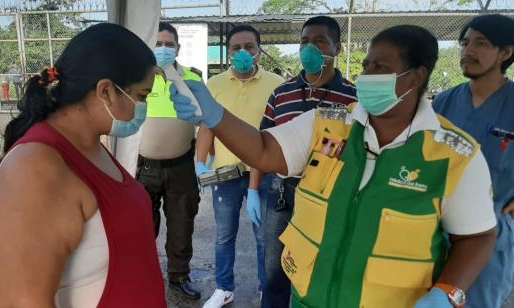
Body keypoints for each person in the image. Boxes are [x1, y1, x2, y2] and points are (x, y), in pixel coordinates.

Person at [173, 25, 497, 308]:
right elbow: (263, 149)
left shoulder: (453, 154)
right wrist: (214, 113)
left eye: (380, 67)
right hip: (310, 299)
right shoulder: (328, 123)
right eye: (367, 64)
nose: (367, 75)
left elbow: (478, 237)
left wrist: (447, 292)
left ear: (416, 76)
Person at [0, 23, 166, 307]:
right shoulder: (34, 169)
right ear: (106, 91)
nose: (143, 107)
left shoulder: (90, 145)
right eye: (142, 96)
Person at [246, 16, 357, 308]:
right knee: (274, 271)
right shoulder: (281, 94)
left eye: (320, 41)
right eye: (305, 41)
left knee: (321, 267)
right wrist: (253, 190)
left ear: (337, 48)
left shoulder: (352, 97)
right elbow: (261, 143)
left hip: (327, 196)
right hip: (281, 192)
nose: (310, 47)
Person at [195, 25, 284, 308]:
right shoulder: (215, 84)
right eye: (236, 48)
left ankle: (265, 288)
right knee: (224, 235)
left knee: (266, 238)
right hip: (226, 173)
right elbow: (208, 125)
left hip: (267, 173)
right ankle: (224, 288)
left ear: (259, 51)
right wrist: (199, 163)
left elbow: (275, 131)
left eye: (249, 47)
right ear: (228, 52)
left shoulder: (276, 83)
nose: (243, 52)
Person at [433, 14, 514, 308]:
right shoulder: (443, 102)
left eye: (481, 43)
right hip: (435, 231)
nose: (468, 51)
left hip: (490, 238)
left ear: (506, 53)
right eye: (465, 43)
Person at [135, 21, 202, 300]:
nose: (163, 49)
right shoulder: (136, 79)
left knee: (181, 225)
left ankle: (179, 276)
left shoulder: (193, 80)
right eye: (158, 44)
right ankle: (140, 276)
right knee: (139, 227)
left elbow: (205, 120)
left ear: (178, 47)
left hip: (181, 167)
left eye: (168, 44)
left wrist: (202, 161)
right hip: (142, 168)